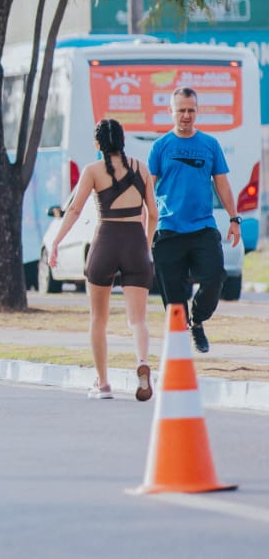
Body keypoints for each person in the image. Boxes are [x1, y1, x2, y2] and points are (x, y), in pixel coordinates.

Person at [48, 118, 158, 400]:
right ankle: (142, 361)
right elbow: (153, 214)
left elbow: (74, 210)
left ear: (98, 144)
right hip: (135, 243)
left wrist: (56, 242)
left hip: (106, 242)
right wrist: (144, 247)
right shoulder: (142, 168)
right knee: (138, 320)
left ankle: (104, 383)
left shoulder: (93, 171)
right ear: (123, 140)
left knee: (98, 320)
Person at [149, 86, 241, 354]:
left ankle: (197, 321)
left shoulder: (210, 145)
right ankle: (178, 351)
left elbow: (222, 184)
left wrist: (234, 219)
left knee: (215, 278)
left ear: (197, 111)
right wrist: (144, 229)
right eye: (181, 110)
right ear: (171, 111)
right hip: (168, 230)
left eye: (191, 110)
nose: (186, 115)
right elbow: (148, 190)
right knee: (174, 303)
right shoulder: (160, 146)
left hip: (203, 228)